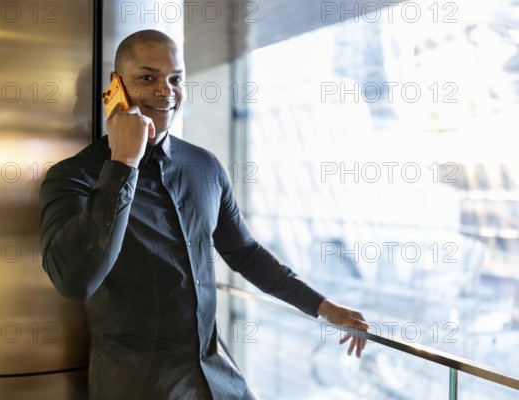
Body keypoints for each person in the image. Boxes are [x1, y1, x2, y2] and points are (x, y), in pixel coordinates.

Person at [39, 29, 368, 400]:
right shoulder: (73, 177)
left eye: (175, 79)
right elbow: (75, 281)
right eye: (147, 78)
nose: (166, 91)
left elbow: (245, 253)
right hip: (140, 386)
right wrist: (123, 164)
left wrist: (323, 306)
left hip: (218, 379)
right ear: (117, 88)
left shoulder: (205, 167)